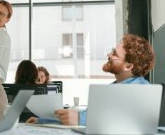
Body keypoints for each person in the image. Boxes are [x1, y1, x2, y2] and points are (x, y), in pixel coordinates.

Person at [27, 34, 155, 126]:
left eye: (115, 54)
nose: (109, 55)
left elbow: (118, 122)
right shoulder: (114, 88)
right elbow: (89, 116)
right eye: (112, 51)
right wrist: (43, 121)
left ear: (128, 66)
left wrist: (79, 119)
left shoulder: (141, 89)